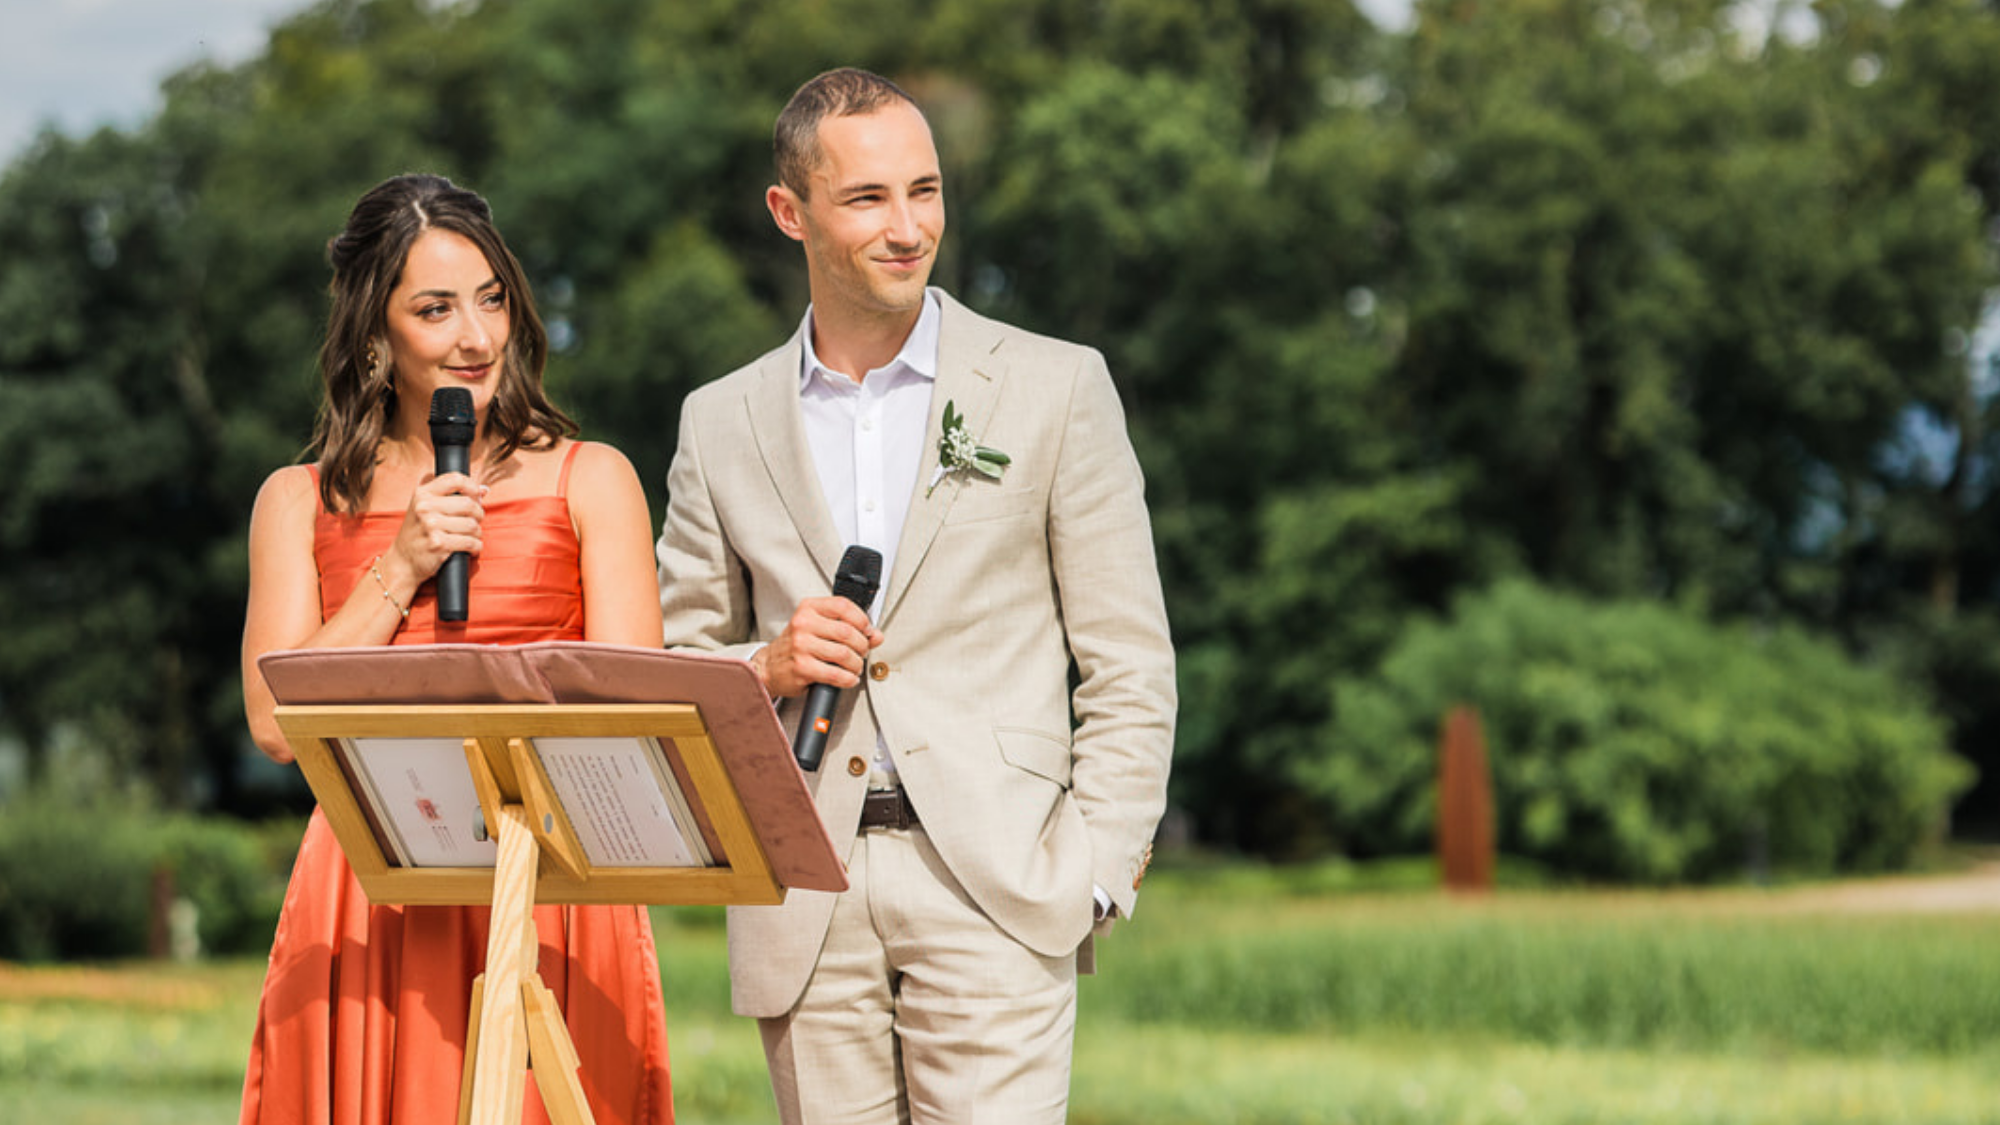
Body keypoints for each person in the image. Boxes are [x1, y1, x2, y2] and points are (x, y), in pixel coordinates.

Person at [655, 69, 1176, 1122]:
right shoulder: (718, 422)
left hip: (997, 884)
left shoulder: (1053, 385)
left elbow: (1127, 656)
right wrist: (767, 665)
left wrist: (1094, 869)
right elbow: (676, 669)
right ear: (788, 212)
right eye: (868, 199)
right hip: (803, 894)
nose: (908, 227)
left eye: (924, 190)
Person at [238, 173, 673, 1125]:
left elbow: (641, 713)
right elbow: (275, 722)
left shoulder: (591, 479)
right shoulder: (296, 500)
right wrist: (399, 564)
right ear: (372, 335)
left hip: (555, 879)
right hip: (368, 882)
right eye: (435, 309)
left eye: (492, 300)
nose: (476, 336)